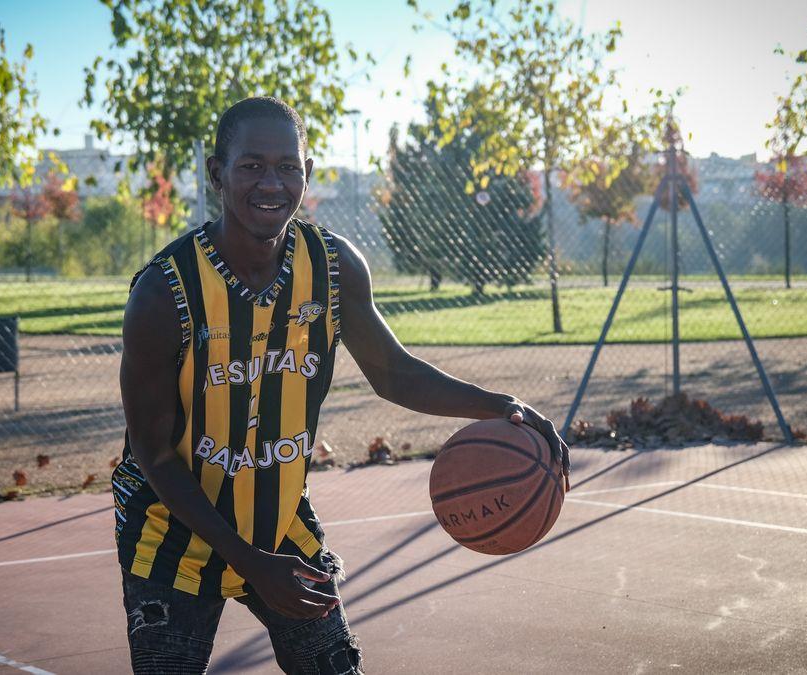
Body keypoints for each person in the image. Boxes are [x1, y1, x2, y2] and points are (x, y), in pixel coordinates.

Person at [113, 96, 570, 675]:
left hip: (278, 524)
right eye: (251, 165)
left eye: (288, 166)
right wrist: (251, 563)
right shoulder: (161, 294)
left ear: (307, 173)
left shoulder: (332, 267)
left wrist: (504, 407)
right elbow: (154, 456)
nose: (271, 182)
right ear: (216, 174)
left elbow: (393, 372)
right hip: (171, 532)